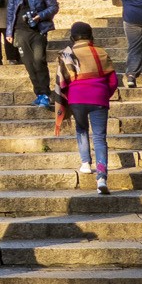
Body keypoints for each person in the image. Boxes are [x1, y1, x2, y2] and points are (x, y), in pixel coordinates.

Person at [56, 21, 120, 196]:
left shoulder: (66, 54)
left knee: (81, 129)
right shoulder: (101, 52)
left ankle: (85, 164)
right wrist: (104, 95)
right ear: (91, 36)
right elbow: (113, 81)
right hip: (98, 97)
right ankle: (101, 179)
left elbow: (62, 82)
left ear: (72, 38)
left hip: (76, 99)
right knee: (100, 138)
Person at [5, 0, 59, 108]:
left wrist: (39, 16)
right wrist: (9, 32)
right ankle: (39, 93)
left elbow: (54, 7)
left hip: (39, 30)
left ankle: (45, 93)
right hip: (20, 31)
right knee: (29, 64)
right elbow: (10, 12)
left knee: (39, 61)